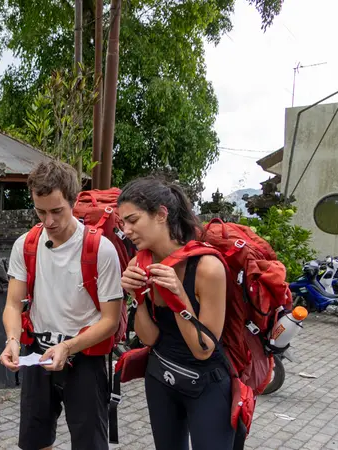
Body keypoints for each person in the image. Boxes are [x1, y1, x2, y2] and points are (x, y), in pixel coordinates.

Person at [0, 160, 123, 450]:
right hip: (38, 353)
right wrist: (12, 340)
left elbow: (110, 320)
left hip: (84, 356)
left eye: (57, 211)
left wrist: (68, 347)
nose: (48, 221)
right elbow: (13, 304)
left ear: (73, 201)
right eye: (40, 211)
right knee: (34, 442)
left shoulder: (100, 249)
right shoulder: (25, 244)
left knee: (89, 444)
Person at [117, 177, 232, 450]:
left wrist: (178, 296)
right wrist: (138, 297)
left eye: (133, 220)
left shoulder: (207, 268)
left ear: (161, 214)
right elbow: (149, 338)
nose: (126, 230)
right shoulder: (140, 263)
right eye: (122, 223)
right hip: (161, 376)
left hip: (206, 383)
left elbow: (203, 349)